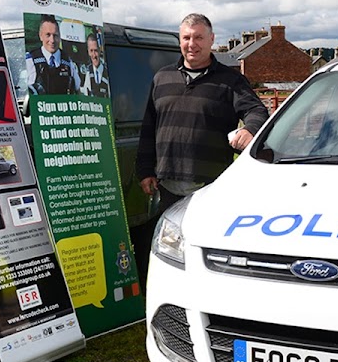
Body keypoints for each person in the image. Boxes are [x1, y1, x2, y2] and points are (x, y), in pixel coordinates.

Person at [135, 13, 269, 263]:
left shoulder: (231, 81)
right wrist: (144, 170)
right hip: (169, 186)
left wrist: (249, 129)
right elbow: (149, 127)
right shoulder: (162, 78)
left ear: (211, 40)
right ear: (180, 41)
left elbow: (256, 111)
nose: (191, 43)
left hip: (209, 186)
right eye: (186, 37)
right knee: (172, 252)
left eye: (198, 37)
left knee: (207, 249)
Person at [24, 15, 80, 95]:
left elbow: (78, 91)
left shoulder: (68, 62)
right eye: (48, 35)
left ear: (60, 36)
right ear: (40, 36)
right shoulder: (30, 61)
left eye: (55, 35)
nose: (52, 40)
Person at [80, 33, 110, 98]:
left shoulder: (108, 72)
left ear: (99, 50)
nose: (94, 55)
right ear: (88, 52)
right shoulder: (87, 72)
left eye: (96, 51)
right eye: (91, 51)